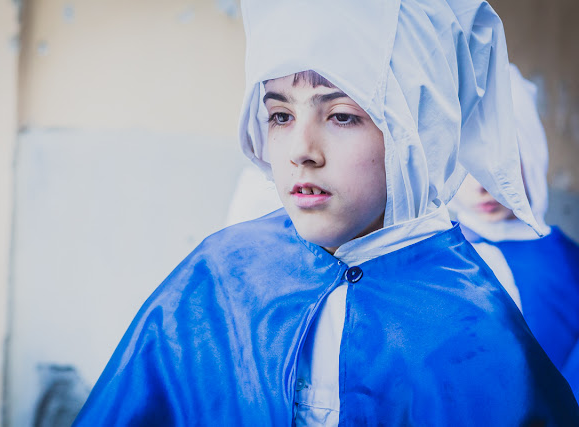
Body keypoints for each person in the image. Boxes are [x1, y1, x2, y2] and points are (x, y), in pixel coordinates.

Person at [73, 0, 579, 425]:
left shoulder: (479, 330)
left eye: (341, 115)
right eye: (280, 115)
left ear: (417, 134)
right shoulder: (219, 278)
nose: (301, 150)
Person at [451, 64, 579, 401]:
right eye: (466, 166)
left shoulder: (568, 264)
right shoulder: (436, 255)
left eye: (501, 163)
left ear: (532, 155)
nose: (482, 185)